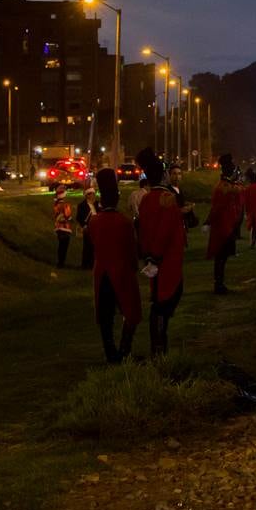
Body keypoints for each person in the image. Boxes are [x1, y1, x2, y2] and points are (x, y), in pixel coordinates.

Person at [135, 152, 186, 356]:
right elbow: (167, 230)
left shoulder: (147, 200)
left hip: (153, 257)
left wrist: (149, 254)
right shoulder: (167, 198)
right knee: (162, 304)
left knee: (159, 300)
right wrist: (155, 255)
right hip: (167, 258)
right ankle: (158, 349)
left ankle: (158, 347)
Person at [88, 169, 140, 363]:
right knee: (131, 312)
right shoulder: (125, 222)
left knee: (105, 316)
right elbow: (131, 249)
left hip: (102, 273)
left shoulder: (94, 222)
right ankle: (124, 349)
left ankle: (111, 352)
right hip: (122, 272)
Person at [205, 155, 242, 294]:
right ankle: (218, 285)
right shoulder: (225, 187)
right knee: (221, 257)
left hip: (226, 225)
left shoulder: (226, 185)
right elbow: (218, 207)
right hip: (223, 226)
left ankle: (220, 283)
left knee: (223, 257)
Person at [53, 185, 74, 268]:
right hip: (65, 227)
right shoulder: (65, 204)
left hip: (58, 227)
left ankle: (60, 262)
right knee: (64, 246)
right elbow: (67, 215)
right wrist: (71, 219)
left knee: (60, 246)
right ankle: (61, 263)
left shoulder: (56, 204)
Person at [77, 187, 97, 269]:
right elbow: (79, 217)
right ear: (87, 195)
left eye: (93, 194)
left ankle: (93, 264)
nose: (93, 196)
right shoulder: (82, 205)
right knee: (87, 246)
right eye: (92, 194)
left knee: (95, 247)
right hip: (87, 227)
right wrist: (83, 225)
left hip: (96, 227)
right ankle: (85, 264)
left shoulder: (96, 204)